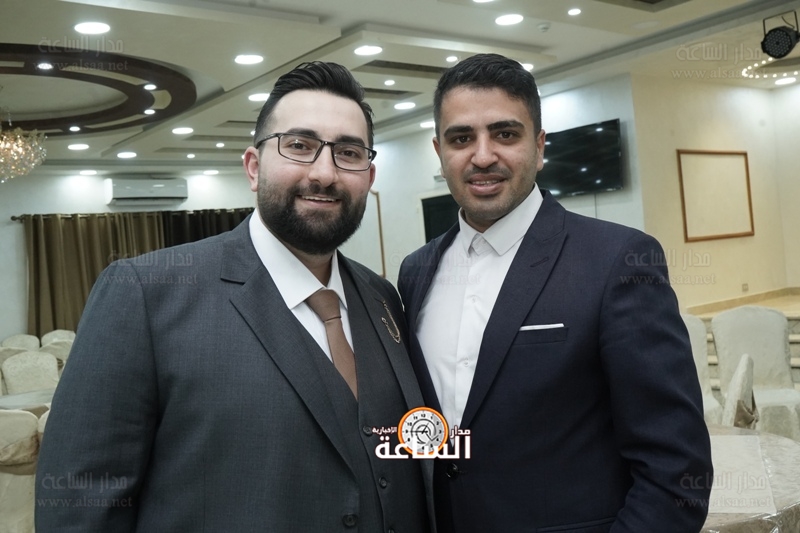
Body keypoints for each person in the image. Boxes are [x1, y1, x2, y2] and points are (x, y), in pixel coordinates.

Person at [36, 61, 434, 532]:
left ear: (368, 176)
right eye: (300, 146)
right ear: (253, 167)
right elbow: (81, 504)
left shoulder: (382, 297)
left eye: (348, 153)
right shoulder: (145, 295)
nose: (325, 173)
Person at [398, 53, 713, 533]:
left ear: (540, 146)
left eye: (505, 134)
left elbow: (675, 471)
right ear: (440, 152)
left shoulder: (617, 260)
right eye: (461, 138)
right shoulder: (416, 271)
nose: (482, 156)